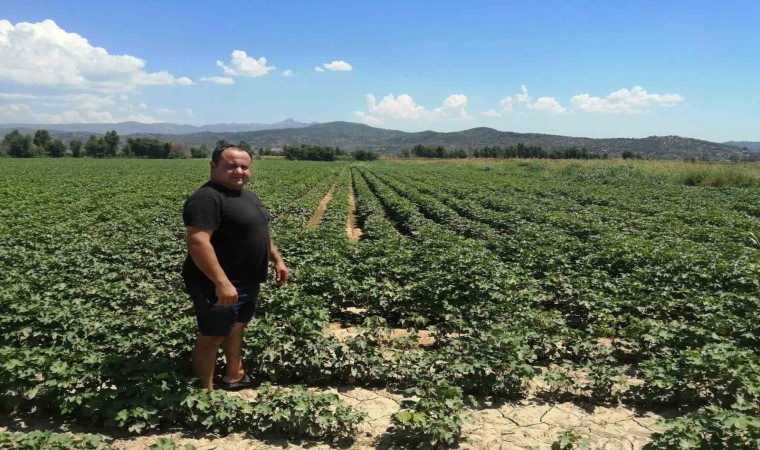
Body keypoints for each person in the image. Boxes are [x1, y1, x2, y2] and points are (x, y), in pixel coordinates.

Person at [182, 145, 288, 390]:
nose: (239, 171)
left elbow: (260, 232)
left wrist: (277, 259)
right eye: (231, 166)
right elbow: (198, 242)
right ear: (213, 167)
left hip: (247, 279)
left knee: (236, 327)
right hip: (218, 283)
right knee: (211, 336)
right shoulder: (206, 198)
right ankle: (203, 395)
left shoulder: (247, 196)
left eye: (244, 166)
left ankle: (234, 375)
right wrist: (221, 283)